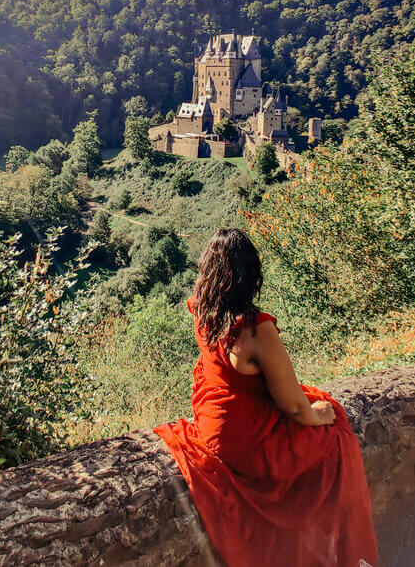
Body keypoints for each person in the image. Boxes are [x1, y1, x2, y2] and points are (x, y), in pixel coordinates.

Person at [154, 228, 378, 567]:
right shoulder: (256, 330)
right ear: (250, 275)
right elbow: (293, 406)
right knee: (337, 432)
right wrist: (319, 415)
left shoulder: (203, 314)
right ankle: (338, 550)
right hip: (245, 438)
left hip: (212, 422)